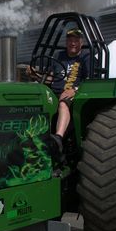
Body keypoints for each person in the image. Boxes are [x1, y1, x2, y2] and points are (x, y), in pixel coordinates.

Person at [27, 27, 90, 156]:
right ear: (66, 42)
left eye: (76, 40)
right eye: (70, 40)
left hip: (75, 94)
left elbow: (90, 80)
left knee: (63, 102)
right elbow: (50, 77)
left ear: (81, 43)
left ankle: (58, 139)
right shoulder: (59, 56)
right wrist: (36, 75)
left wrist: (75, 90)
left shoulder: (86, 57)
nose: (73, 43)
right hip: (54, 92)